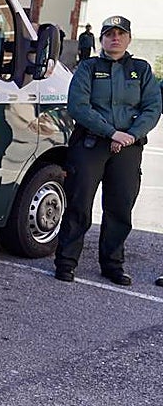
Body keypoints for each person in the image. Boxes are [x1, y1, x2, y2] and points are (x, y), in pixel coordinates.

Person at [54, 16, 160, 285]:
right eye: (109, 34)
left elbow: (152, 107)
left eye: (120, 34)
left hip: (127, 148)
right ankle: (66, 262)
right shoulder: (88, 68)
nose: (115, 38)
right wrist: (112, 133)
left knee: (120, 208)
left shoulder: (141, 69)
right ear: (101, 39)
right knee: (79, 205)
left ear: (128, 39)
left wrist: (129, 136)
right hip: (90, 146)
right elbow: (78, 106)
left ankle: (112, 264)